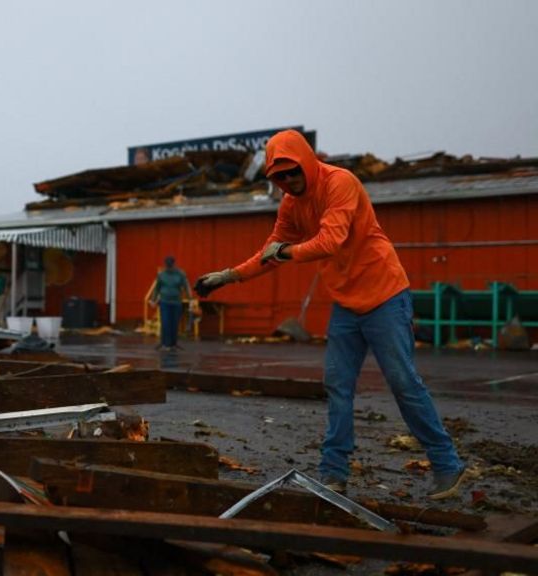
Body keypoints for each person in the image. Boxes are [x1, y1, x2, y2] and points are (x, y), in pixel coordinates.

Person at [195, 129, 468, 500]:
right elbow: (270, 252)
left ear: (307, 162)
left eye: (293, 172)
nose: (289, 182)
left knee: (403, 381)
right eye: (280, 177)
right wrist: (229, 276)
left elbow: (329, 241)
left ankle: (447, 466)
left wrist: (286, 252)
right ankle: (334, 473)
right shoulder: (291, 205)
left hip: (385, 295)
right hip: (346, 303)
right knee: (337, 385)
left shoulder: (341, 183)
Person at [150, 256, 191, 350]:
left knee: (174, 323)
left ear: (173, 264)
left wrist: (190, 299)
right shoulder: (161, 275)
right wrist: (153, 299)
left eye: (170, 265)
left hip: (176, 302)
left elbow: (186, 286)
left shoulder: (180, 274)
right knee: (165, 323)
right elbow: (157, 288)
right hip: (165, 302)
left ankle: (173, 343)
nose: (169, 267)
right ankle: (164, 343)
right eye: (167, 265)